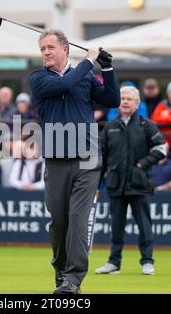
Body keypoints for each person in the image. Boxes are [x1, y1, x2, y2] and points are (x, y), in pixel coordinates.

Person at [29, 29, 120, 294]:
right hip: (56, 160)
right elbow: (65, 85)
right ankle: (61, 271)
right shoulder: (38, 78)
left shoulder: (87, 77)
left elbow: (112, 100)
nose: (45, 52)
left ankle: (73, 279)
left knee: (79, 220)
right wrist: (89, 61)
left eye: (50, 48)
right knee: (59, 223)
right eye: (42, 48)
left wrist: (109, 68)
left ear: (65, 49)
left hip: (87, 160)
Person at [95, 86, 166, 276]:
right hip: (116, 184)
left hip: (139, 184)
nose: (125, 102)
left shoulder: (147, 125)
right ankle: (114, 263)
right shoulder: (110, 127)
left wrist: (144, 163)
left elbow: (162, 148)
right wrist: (96, 184)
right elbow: (102, 159)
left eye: (129, 99)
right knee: (116, 226)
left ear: (137, 103)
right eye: (122, 99)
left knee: (144, 225)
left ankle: (147, 262)